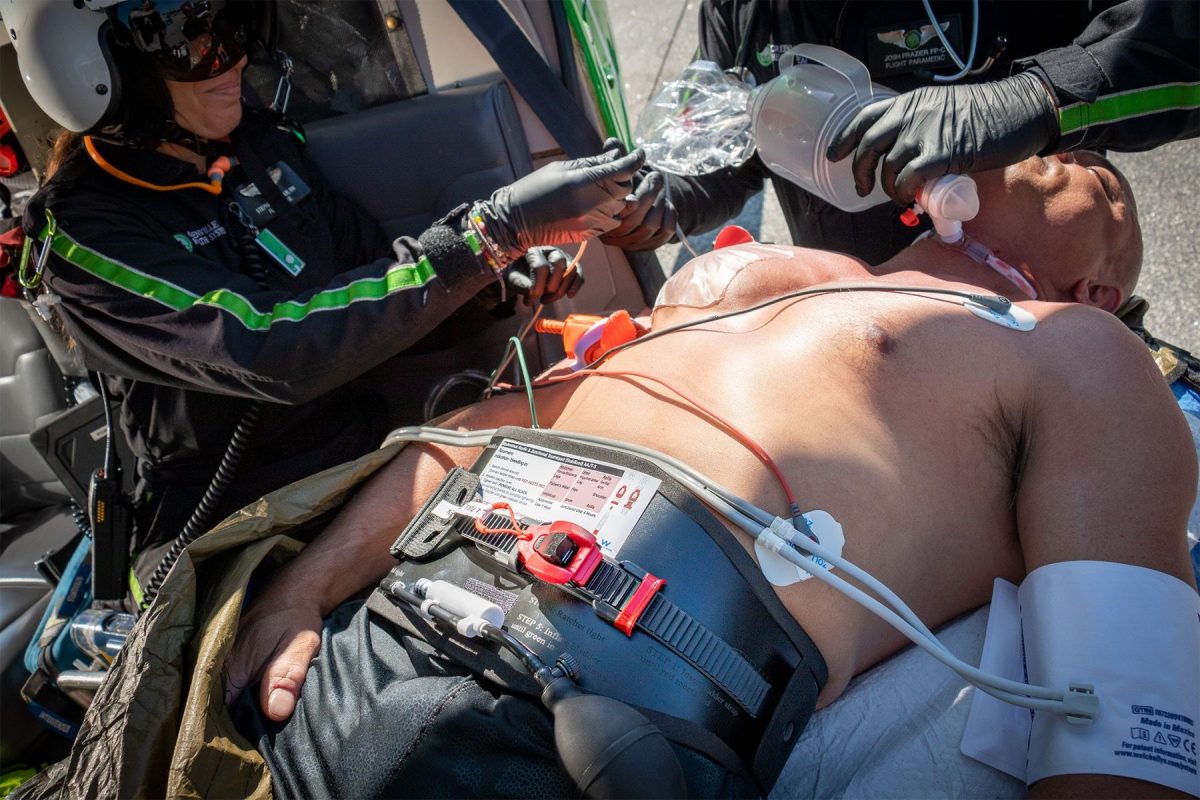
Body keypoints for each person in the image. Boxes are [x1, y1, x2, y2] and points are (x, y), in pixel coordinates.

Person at [223, 150, 1199, 798]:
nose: (1061, 152)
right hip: (372, 645)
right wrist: (303, 586)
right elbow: (489, 425)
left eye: (1099, 181)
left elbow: (1116, 723)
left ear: (1098, 287)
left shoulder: (1074, 351)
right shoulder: (765, 276)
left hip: (609, 727)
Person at [9, 0, 644, 593]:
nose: (232, 56)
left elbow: (371, 289)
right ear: (94, 69)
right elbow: (270, 347)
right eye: (191, 39)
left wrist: (493, 281)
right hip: (230, 522)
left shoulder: (259, 145)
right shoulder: (83, 233)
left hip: (363, 454)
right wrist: (487, 234)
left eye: (235, 21)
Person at [604, 0, 1199, 266]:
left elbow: (1177, 48)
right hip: (872, 323)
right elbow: (742, 150)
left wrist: (1036, 99)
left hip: (1031, 318)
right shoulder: (742, 8)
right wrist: (670, 200)